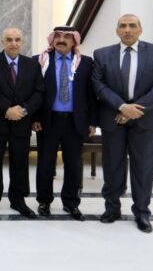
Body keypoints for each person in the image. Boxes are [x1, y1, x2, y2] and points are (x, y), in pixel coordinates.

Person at [93, 14, 153, 233]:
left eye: (132, 26)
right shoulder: (102, 54)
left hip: (146, 119)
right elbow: (98, 85)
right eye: (123, 26)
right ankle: (112, 208)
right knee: (112, 166)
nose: (127, 29)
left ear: (140, 29)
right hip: (113, 118)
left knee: (144, 167)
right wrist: (121, 107)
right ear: (117, 30)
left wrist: (132, 110)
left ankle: (142, 212)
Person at [34, 25, 96, 220]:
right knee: (45, 163)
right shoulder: (40, 61)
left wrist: (92, 121)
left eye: (67, 37)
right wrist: (35, 118)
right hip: (48, 120)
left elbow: (91, 94)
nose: (61, 40)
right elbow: (34, 92)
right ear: (52, 39)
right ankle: (44, 201)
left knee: (73, 164)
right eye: (58, 36)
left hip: (75, 122)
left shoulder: (86, 63)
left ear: (74, 41)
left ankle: (71, 203)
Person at [0, 27, 44, 218]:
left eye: (17, 39)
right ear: (2, 42)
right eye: (9, 39)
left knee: (20, 161)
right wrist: (7, 109)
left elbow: (39, 92)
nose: (13, 43)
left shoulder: (32, 65)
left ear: (22, 42)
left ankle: (18, 200)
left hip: (22, 122)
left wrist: (23, 110)